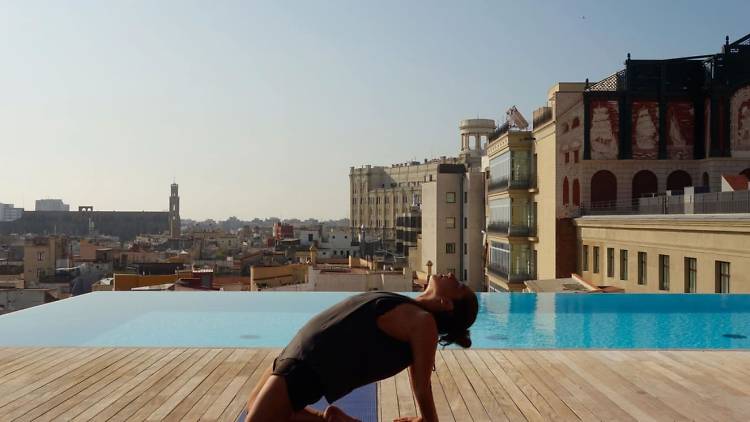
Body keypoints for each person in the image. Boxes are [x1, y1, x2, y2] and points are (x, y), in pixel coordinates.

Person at [244, 273, 478, 422]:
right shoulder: (407, 307)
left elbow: (421, 386)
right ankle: (334, 420)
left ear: (446, 304)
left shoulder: (423, 322)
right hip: (295, 353)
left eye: (457, 284)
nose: (451, 275)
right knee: (256, 406)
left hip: (307, 365)